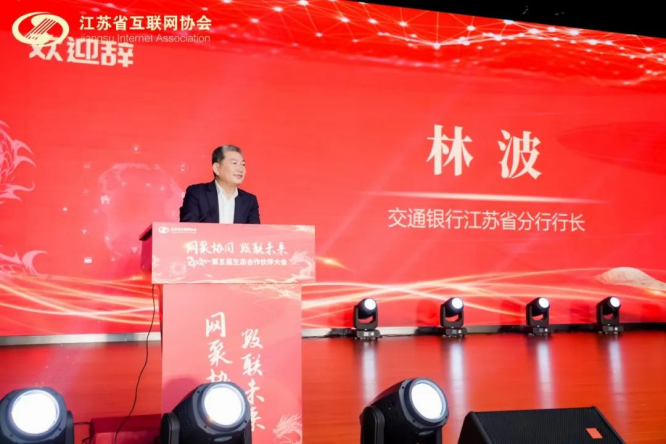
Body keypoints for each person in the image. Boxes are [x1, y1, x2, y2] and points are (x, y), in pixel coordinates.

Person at [179, 145, 260, 223]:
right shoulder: (197, 194)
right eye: (234, 163)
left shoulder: (249, 201)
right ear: (217, 168)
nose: (241, 169)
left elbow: (254, 231)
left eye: (243, 164)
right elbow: (189, 229)